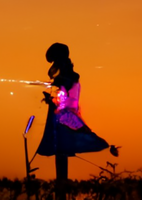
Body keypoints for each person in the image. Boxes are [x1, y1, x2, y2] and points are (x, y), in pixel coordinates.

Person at [34, 43, 110, 197]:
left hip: (62, 122)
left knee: (61, 156)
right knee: (60, 157)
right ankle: (61, 192)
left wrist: (54, 102)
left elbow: (67, 104)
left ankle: (62, 193)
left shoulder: (68, 79)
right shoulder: (67, 78)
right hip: (60, 121)